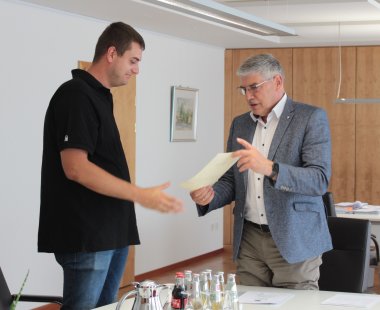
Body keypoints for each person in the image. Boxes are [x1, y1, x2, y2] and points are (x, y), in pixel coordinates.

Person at [38, 22, 183, 310]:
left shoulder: (100, 97)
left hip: (111, 232)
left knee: (107, 307)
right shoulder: (75, 95)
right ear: (112, 53)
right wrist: (141, 194)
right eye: (133, 60)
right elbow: (75, 167)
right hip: (88, 235)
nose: (137, 69)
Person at [190, 53, 332, 290]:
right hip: (250, 239)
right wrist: (211, 195)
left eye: (254, 87)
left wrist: (269, 168)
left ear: (277, 82)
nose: (248, 96)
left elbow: (319, 180)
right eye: (243, 89)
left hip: (293, 237)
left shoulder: (310, 118)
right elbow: (231, 179)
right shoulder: (240, 123)